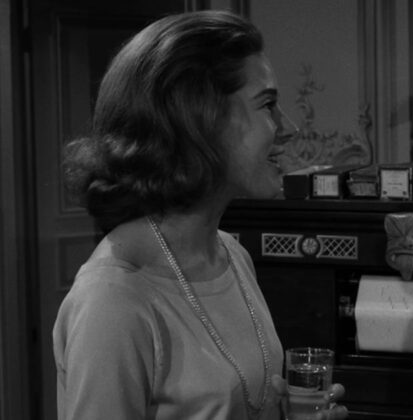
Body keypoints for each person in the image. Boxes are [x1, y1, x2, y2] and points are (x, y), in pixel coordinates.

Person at [54, 10, 348, 420]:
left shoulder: (231, 255)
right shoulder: (113, 299)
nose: (288, 127)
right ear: (200, 121)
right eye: (268, 104)